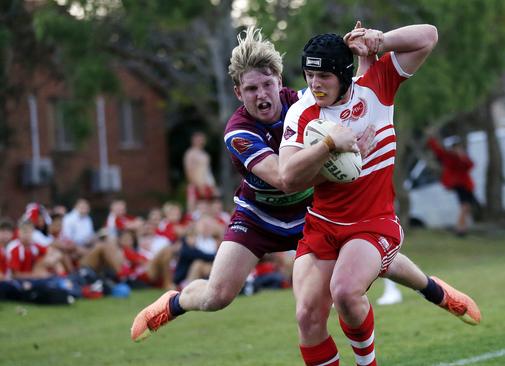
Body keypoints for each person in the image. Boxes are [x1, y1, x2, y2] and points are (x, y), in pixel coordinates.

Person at [130, 25, 480, 347]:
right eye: (251, 89)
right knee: (217, 296)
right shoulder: (239, 133)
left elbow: (353, 96)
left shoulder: (305, 100)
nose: (261, 95)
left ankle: (435, 291)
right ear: (239, 93)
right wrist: (337, 154)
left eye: (267, 85)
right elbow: (285, 179)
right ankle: (174, 303)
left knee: (376, 257)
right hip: (259, 215)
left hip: (308, 211)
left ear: (279, 81)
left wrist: (368, 51)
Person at [278, 24, 480, 365]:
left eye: (324, 75)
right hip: (323, 226)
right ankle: (433, 289)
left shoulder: (375, 86)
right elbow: (288, 178)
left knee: (344, 291)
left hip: (373, 221)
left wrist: (380, 40)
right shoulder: (301, 112)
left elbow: (428, 35)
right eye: (309, 74)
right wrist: (330, 147)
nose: (314, 84)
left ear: (344, 74)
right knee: (308, 318)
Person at [427, 134, 479, 236]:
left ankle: (463, 227)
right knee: (464, 206)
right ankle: (459, 229)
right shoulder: (450, 157)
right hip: (459, 185)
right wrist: (431, 139)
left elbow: (470, 166)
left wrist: (462, 156)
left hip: (467, 185)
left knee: (467, 207)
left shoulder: (463, 157)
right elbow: (438, 151)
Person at [184, 131, 220, 212]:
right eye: (198, 139)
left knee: (209, 207)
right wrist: (197, 184)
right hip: (196, 184)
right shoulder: (190, 153)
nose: (200, 141)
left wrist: (213, 185)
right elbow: (189, 170)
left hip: (207, 183)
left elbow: (208, 171)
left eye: (202, 139)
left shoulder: (205, 154)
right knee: (193, 209)